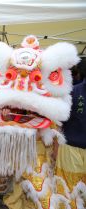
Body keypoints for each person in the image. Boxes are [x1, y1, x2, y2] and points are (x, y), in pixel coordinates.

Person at [54, 61, 86, 206]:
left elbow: (59, 123)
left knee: (73, 192)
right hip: (71, 149)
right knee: (70, 191)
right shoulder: (72, 92)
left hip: (72, 149)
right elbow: (59, 122)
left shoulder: (72, 91)